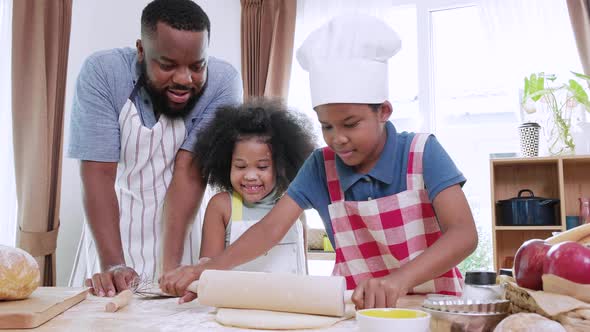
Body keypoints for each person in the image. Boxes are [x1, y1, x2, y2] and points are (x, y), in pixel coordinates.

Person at [159, 14, 477, 309]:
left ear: (383, 112)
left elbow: (463, 234)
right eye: (326, 126)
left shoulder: (423, 153)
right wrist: (207, 269)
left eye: (350, 124)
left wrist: (399, 280)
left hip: (435, 307)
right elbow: (269, 230)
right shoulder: (320, 166)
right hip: (358, 311)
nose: (337, 138)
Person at [67, 0, 242, 297]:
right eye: (167, 65)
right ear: (141, 50)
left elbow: (190, 171)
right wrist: (113, 264)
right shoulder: (104, 74)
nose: (184, 79)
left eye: (197, 66)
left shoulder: (223, 82)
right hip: (111, 233)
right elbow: (98, 173)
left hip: (182, 235)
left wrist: (170, 270)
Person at [193, 99, 315, 276]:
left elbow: (303, 270)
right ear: (226, 164)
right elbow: (207, 273)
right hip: (233, 303)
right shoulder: (222, 206)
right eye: (241, 166)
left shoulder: (293, 205)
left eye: (262, 167)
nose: (250, 176)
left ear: (281, 166)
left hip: (291, 303)